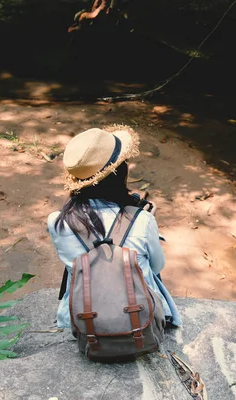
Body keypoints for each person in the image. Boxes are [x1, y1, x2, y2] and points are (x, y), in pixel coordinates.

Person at [47, 124, 181, 330]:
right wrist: (142, 220)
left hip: (83, 320)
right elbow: (156, 267)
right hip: (140, 319)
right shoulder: (142, 219)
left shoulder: (57, 221)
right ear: (119, 173)